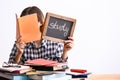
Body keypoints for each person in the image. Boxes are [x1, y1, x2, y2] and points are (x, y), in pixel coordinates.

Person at [8, 6, 74, 65]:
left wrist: (65, 51)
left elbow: (62, 67)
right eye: (24, 22)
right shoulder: (20, 43)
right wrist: (19, 53)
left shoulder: (55, 42)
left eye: (31, 21)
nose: (28, 25)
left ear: (41, 22)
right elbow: (10, 67)